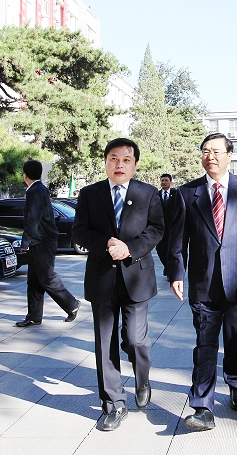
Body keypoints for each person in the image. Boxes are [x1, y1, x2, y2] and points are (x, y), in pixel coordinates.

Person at [168, 133, 237, 431]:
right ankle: (202, 406)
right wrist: (176, 272)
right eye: (206, 151)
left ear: (230, 154)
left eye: (216, 151)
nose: (211, 156)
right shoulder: (187, 193)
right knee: (205, 344)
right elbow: (177, 239)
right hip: (203, 283)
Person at [73, 138, 164, 431]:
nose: (119, 165)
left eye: (126, 160)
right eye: (114, 158)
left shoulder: (148, 193)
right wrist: (107, 244)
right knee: (105, 344)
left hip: (137, 276)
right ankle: (113, 403)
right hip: (102, 278)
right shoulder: (90, 194)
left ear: (135, 164)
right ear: (105, 162)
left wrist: (130, 248)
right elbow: (79, 231)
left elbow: (157, 230)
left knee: (135, 340)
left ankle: (142, 377)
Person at [15, 160, 80, 327]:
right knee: (34, 280)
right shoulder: (38, 189)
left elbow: (33, 218)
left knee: (46, 278)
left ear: (25, 175)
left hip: (42, 241)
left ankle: (71, 304)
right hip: (40, 240)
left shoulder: (36, 190)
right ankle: (34, 316)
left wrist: (25, 241)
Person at [155, 173, 181, 276]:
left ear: (170, 182)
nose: (164, 182)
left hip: (173, 227)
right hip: (160, 228)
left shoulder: (177, 193)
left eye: (166, 180)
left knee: (173, 250)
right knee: (160, 250)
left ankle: (171, 270)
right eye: (162, 180)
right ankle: (167, 266)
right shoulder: (156, 195)